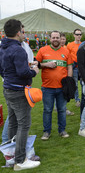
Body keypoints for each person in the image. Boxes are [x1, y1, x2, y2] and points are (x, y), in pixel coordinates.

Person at [0, 19, 40, 170]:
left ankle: (11, 156)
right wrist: (34, 71)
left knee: (14, 123)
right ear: (18, 33)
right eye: (23, 32)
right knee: (24, 125)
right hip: (18, 91)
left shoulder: (2, 47)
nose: (24, 34)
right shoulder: (18, 49)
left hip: (8, 89)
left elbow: (2, 69)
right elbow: (23, 73)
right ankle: (21, 160)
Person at [36, 31, 73, 140]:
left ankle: (62, 130)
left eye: (57, 37)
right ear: (50, 38)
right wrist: (46, 64)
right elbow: (36, 64)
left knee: (62, 109)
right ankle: (46, 132)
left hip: (62, 88)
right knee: (47, 110)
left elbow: (70, 66)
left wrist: (69, 80)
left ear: (60, 38)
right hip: (47, 87)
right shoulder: (43, 50)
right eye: (53, 37)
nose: (55, 39)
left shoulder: (66, 51)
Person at [60, 32, 74, 116]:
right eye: (61, 39)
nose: (62, 41)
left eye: (63, 39)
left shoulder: (66, 49)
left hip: (65, 74)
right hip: (57, 75)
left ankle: (63, 108)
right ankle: (61, 108)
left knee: (64, 92)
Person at [67, 29, 82, 107]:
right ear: (74, 35)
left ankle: (84, 99)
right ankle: (77, 100)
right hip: (74, 67)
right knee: (75, 84)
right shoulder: (70, 45)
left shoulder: (83, 44)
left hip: (82, 67)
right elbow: (68, 56)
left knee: (84, 84)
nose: (79, 36)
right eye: (77, 34)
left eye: (80, 34)